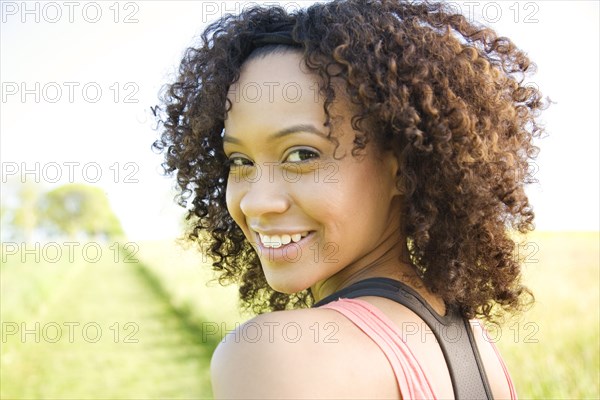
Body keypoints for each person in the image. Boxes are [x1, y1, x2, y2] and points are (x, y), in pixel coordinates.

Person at [153, 0, 546, 398]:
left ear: (402, 166)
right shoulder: (477, 347)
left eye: (302, 155)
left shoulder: (274, 354)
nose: (257, 202)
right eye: (240, 161)